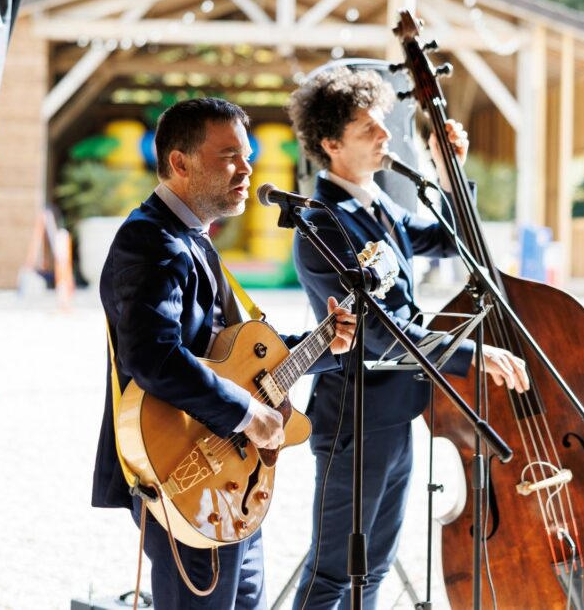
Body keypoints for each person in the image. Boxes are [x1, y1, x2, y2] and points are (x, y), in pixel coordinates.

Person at [91, 97, 357, 609]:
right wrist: (247, 414)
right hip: (186, 472)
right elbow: (154, 357)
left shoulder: (190, 237)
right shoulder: (151, 241)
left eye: (248, 155)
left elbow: (233, 357)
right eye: (229, 156)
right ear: (180, 162)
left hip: (230, 476)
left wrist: (327, 343)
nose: (247, 168)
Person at [287, 67, 530, 609]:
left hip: (396, 412)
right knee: (332, 573)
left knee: (374, 568)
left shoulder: (378, 205)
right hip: (354, 419)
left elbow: (451, 240)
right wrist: (472, 354)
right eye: (368, 129)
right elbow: (377, 333)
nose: (386, 135)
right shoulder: (322, 223)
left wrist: (449, 173)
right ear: (331, 144)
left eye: (383, 123)